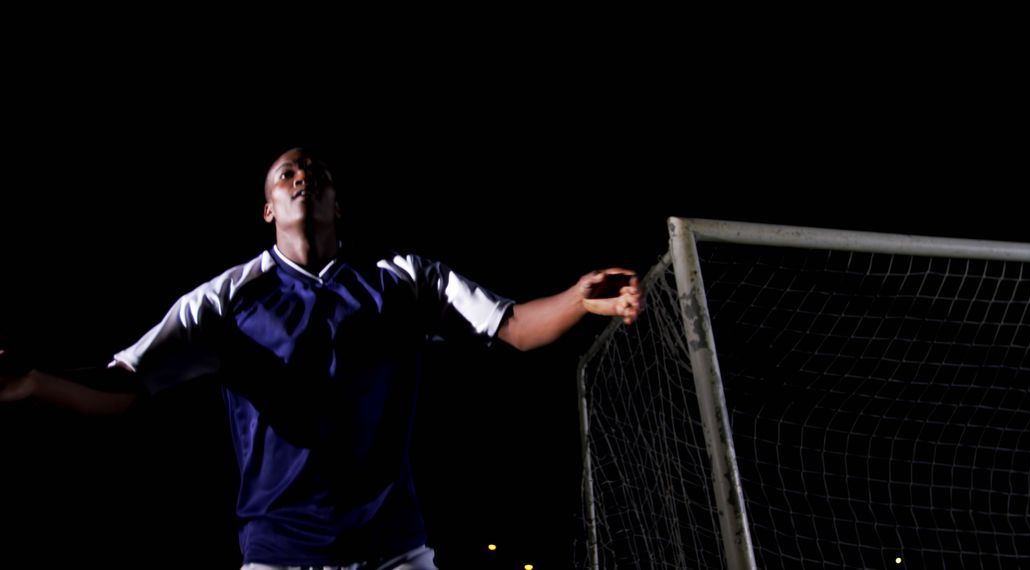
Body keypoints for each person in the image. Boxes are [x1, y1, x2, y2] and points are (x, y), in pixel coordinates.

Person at [0, 147, 642, 569]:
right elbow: (126, 384)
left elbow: (515, 327)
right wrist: (33, 384)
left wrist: (576, 300)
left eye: (317, 173)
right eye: (287, 173)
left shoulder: (404, 281)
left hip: (395, 549)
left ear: (338, 203)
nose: (303, 175)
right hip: (281, 552)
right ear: (268, 208)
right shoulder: (224, 301)